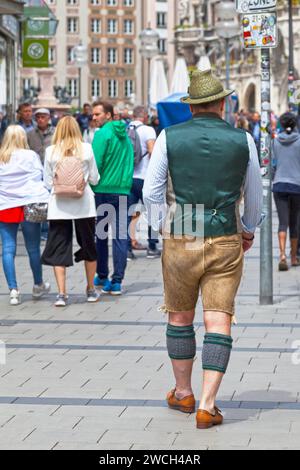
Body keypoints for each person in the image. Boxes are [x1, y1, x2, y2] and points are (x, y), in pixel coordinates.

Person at [143, 70, 263, 430]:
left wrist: (161, 225)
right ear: (223, 102)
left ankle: (183, 392)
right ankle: (208, 404)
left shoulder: (169, 137)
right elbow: (254, 192)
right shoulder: (243, 139)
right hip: (226, 232)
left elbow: (151, 191)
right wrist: (248, 228)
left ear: (191, 106)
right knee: (219, 319)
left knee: (180, 317)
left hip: (184, 232)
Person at [41, 116, 100, 307]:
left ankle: (62, 294)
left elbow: (47, 182)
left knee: (59, 248)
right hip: (84, 204)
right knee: (89, 246)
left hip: (59, 207)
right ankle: (90, 289)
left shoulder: (51, 151)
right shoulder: (87, 149)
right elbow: (94, 178)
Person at [0, 125, 50, 306]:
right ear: (22, 138)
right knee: (33, 247)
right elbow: (40, 176)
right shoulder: (30, 156)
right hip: (29, 203)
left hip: (5, 205)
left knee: (7, 248)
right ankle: (38, 284)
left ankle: (13, 290)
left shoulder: (1, 156)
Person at [91, 101, 134, 295]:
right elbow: (131, 160)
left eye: (97, 114)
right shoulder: (125, 136)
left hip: (103, 190)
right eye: (93, 114)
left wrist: (91, 185)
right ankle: (117, 281)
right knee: (120, 236)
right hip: (123, 190)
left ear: (108, 115)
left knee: (101, 235)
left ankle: (102, 274)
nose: (94, 117)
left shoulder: (102, 134)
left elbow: (95, 164)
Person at [127, 106, 160, 260]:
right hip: (145, 177)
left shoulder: (125, 129)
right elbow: (152, 151)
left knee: (127, 214)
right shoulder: (148, 130)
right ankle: (152, 247)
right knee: (152, 212)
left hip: (128, 178)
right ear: (145, 116)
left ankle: (127, 248)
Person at [272, 112, 300, 271]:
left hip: (279, 184)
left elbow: (274, 162)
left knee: (283, 222)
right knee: (294, 222)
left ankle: (282, 255)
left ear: (281, 124)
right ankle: (294, 257)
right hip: (296, 185)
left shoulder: (275, 141)